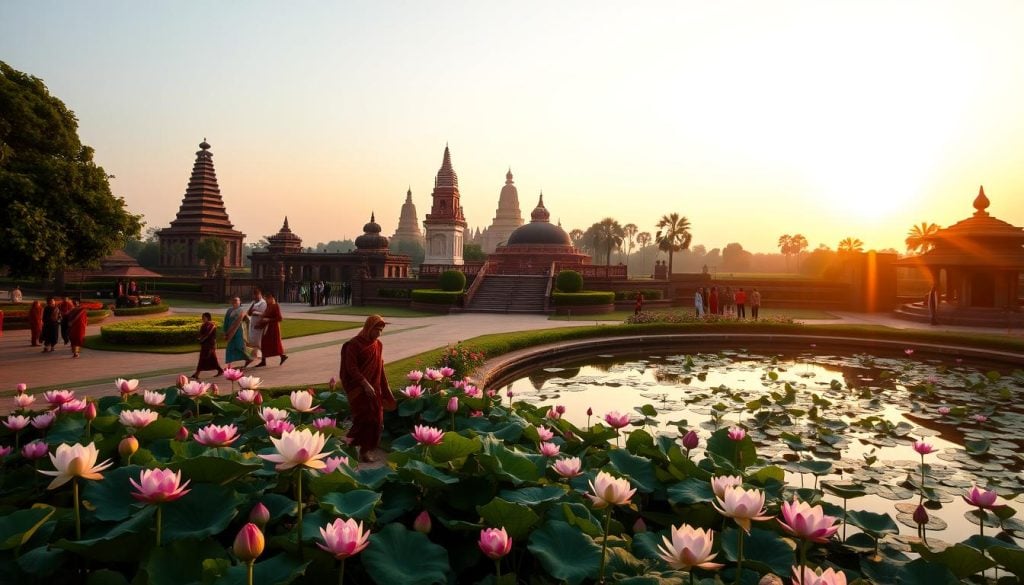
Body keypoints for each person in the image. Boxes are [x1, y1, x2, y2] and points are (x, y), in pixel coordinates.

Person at [339, 315, 396, 462]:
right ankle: (349, 442)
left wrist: (385, 387)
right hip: (359, 390)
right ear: (369, 328)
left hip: (374, 389)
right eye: (376, 329)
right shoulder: (354, 345)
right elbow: (351, 368)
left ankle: (365, 450)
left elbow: (380, 367)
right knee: (362, 419)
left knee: (377, 420)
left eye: (381, 330)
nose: (379, 333)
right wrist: (364, 384)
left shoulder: (378, 345)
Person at [256, 292, 288, 367]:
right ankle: (264, 360)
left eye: (267, 299)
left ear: (271, 298)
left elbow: (279, 318)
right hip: (267, 327)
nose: (266, 301)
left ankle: (282, 356)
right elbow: (265, 317)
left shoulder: (275, 306)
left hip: (273, 328)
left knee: (274, 343)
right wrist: (260, 324)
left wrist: (268, 320)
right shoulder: (268, 306)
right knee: (265, 343)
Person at [192, 312, 224, 379]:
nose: (202, 319)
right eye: (202, 317)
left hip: (210, 345)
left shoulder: (211, 325)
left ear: (208, 318)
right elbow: (201, 333)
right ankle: (197, 373)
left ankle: (220, 370)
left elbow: (207, 334)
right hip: (205, 345)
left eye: (204, 317)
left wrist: (201, 339)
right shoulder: (204, 325)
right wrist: (200, 338)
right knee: (203, 358)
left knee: (210, 358)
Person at [223, 296, 252, 368]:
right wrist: (225, 331)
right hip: (230, 332)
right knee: (230, 348)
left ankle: (248, 358)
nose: (235, 303)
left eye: (237, 301)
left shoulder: (241, 311)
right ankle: (229, 365)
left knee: (240, 347)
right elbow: (226, 321)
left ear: (240, 302)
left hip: (239, 332)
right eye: (234, 301)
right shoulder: (229, 310)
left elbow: (247, 321)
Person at [246, 288, 267, 362]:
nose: (256, 297)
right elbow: (248, 312)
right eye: (254, 295)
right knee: (253, 342)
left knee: (259, 343)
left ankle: (261, 360)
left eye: (257, 295)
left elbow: (264, 314)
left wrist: (255, 312)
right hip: (253, 324)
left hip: (259, 324)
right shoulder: (254, 302)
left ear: (260, 294)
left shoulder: (263, 303)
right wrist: (252, 309)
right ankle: (254, 358)